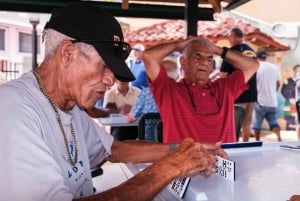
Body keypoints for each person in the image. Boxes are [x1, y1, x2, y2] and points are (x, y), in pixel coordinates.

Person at [0, 4, 229, 200]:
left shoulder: (70, 107)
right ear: (68, 53)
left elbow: (115, 149)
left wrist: (181, 150)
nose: (110, 79)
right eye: (104, 66)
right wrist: (171, 166)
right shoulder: (13, 109)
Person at [142, 37, 259, 143]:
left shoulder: (225, 88)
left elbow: (252, 66)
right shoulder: (169, 91)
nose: (204, 62)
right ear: (183, 61)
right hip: (184, 165)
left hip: (223, 164)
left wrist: (218, 50)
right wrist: (178, 45)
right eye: (197, 57)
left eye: (209, 59)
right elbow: (149, 56)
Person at [219, 27, 257, 142]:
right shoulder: (251, 51)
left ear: (234, 37)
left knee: (234, 124)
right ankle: (245, 144)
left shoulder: (231, 53)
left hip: (236, 94)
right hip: (251, 93)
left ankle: (233, 146)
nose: (228, 39)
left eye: (229, 37)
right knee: (247, 123)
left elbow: (223, 75)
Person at [251, 48, 282, 141]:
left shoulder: (256, 67)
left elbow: (253, 84)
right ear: (265, 57)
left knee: (257, 125)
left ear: (257, 57)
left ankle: (257, 141)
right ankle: (279, 138)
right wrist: (273, 92)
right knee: (274, 123)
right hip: (272, 101)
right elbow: (278, 83)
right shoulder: (274, 67)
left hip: (260, 101)